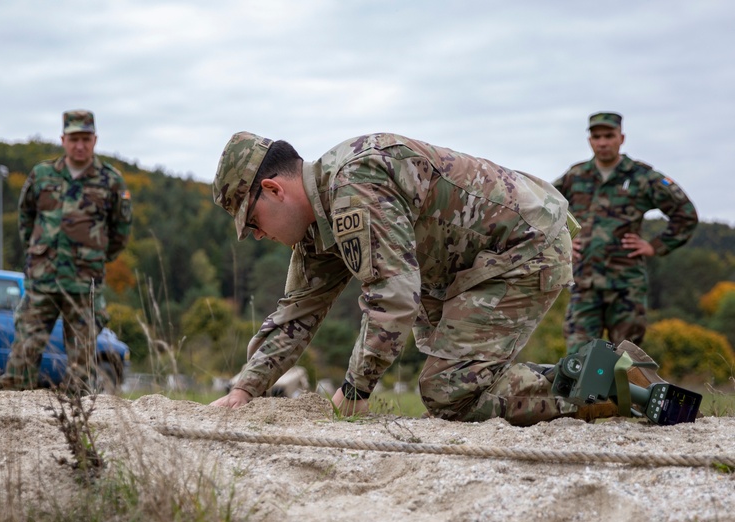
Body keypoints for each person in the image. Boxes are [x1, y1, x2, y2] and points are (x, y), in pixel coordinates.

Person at [210, 130, 598, 426]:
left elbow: (393, 297)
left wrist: (355, 389)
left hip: (522, 247)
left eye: (253, 221)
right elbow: (298, 311)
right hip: (465, 267)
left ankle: (605, 385)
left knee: (449, 392)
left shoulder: (352, 186)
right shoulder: (318, 223)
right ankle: (586, 374)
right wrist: (246, 388)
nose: (258, 235)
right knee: (458, 383)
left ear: (274, 189)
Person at [0, 110, 132, 392]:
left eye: (85, 138)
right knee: (21, 358)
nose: (79, 145)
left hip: (84, 285)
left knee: (81, 369)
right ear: (63, 139)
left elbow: (121, 231)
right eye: (73, 139)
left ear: (95, 140)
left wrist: (95, 258)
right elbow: (25, 218)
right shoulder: (42, 174)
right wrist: (38, 253)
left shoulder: (110, 181)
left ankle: (76, 429)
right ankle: (11, 424)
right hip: (42, 281)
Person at [554, 112, 698, 354]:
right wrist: (562, 242)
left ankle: (622, 394)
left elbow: (685, 214)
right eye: (596, 136)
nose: (603, 142)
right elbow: (544, 209)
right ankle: (584, 395)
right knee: (579, 357)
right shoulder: (576, 176)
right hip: (584, 284)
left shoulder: (642, 177)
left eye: (609, 136)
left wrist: (654, 245)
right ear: (590, 140)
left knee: (625, 359)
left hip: (626, 286)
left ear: (621, 138)